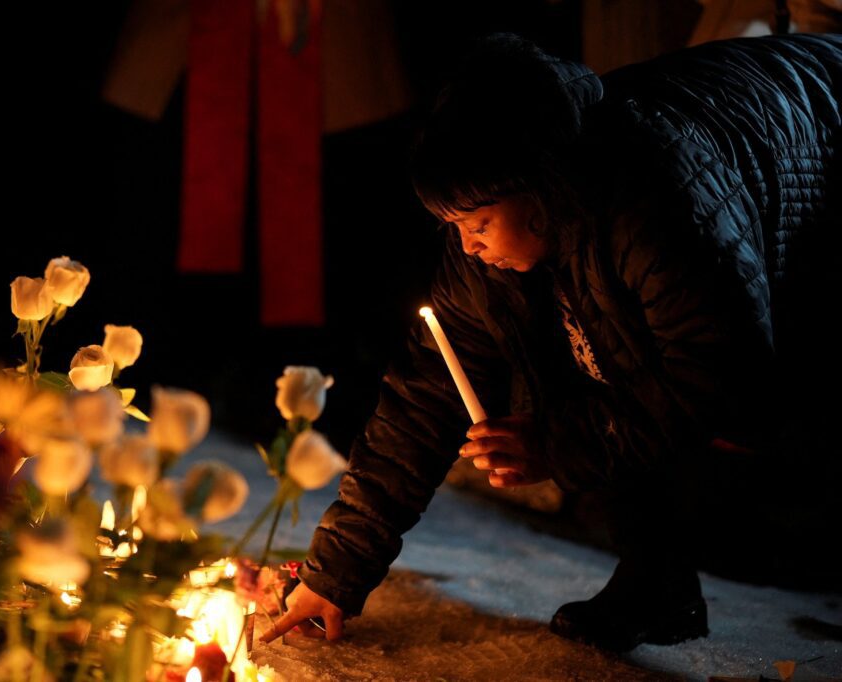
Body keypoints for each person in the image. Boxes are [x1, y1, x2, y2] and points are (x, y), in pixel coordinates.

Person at [260, 32, 842, 651]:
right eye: (455, 226)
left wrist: (558, 442)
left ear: (542, 187)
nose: (468, 246)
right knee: (580, 365)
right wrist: (335, 574)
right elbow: (424, 396)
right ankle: (658, 584)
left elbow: (723, 372)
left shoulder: (660, 201)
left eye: (479, 224)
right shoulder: (492, 232)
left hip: (818, 150)